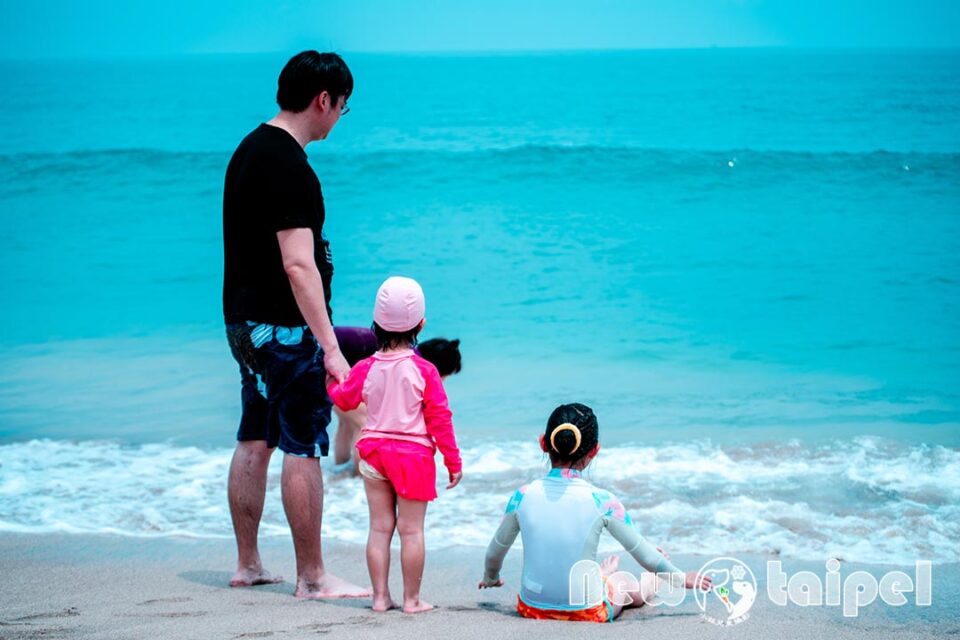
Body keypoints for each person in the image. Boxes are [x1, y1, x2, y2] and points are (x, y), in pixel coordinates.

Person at [222, 50, 368, 599]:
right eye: (342, 107)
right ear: (323, 100)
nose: (338, 119)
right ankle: (312, 576)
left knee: (254, 437)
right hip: (284, 329)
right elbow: (298, 264)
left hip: (243, 324)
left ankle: (249, 564)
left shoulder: (248, 149)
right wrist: (330, 346)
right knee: (302, 442)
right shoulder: (289, 165)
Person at [478, 403, 712, 622]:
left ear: (543, 443)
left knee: (593, 576)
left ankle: (601, 574)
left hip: (532, 608)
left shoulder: (521, 496)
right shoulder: (603, 501)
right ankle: (647, 583)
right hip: (586, 611)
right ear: (595, 450)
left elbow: (494, 553)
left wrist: (491, 577)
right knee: (624, 583)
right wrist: (682, 578)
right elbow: (646, 556)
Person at [327, 277, 463, 613]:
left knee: (379, 528)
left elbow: (344, 400)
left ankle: (379, 597)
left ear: (375, 324)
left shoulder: (366, 367)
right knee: (411, 531)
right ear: (421, 325)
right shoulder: (425, 371)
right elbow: (440, 419)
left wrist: (331, 382)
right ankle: (411, 600)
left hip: (373, 454)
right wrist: (453, 461)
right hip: (412, 457)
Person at [331, 326, 462, 475]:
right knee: (365, 422)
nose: (443, 381)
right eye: (445, 376)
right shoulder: (411, 363)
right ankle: (359, 477)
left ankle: (339, 472)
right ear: (440, 367)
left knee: (348, 421)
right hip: (325, 359)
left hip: (321, 359)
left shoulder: (404, 351)